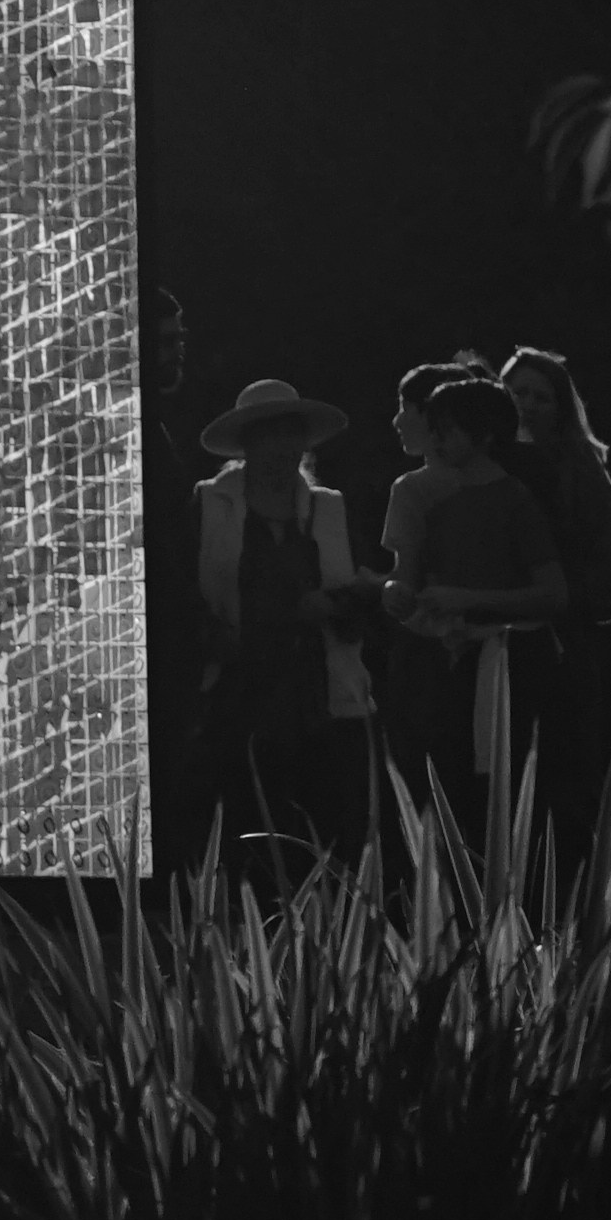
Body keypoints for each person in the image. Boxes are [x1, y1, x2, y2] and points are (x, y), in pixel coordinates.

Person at [170, 376, 379, 884]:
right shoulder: (209, 505)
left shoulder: (331, 508)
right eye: (269, 435)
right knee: (242, 834)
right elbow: (182, 590)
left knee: (324, 837)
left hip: (319, 694)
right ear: (247, 444)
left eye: (292, 435)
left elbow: (367, 590)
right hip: (237, 693)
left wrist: (334, 603)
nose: (283, 448)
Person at [379, 360, 568, 834]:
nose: (437, 442)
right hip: (455, 668)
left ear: (483, 437)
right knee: (454, 789)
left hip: (512, 667)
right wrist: (398, 596)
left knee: (505, 792)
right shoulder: (437, 501)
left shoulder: (515, 501)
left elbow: (552, 594)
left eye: (448, 432)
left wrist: (465, 598)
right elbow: (412, 579)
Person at [499, 346, 611, 813]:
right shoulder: (481, 469)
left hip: (563, 650)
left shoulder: (581, 469)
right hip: (493, 650)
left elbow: (608, 582)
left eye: (542, 396)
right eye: (518, 392)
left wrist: (551, 600)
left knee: (568, 790)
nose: (528, 404)